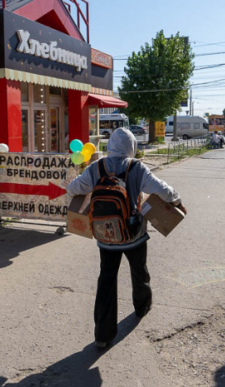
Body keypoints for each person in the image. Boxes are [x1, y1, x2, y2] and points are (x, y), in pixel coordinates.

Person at [67, 128, 186, 349]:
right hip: (134, 234)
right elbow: (162, 190)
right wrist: (177, 201)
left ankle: (103, 334)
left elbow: (73, 189)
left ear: (110, 145)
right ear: (131, 147)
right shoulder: (137, 167)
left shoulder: (97, 167)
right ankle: (142, 307)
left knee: (106, 280)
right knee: (139, 271)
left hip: (105, 236)